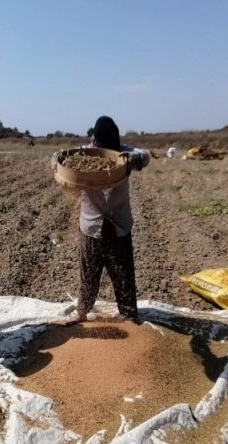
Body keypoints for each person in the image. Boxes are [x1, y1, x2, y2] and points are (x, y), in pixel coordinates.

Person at [72, 116, 150, 322]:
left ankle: (128, 314)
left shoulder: (123, 152)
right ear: (95, 142)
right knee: (88, 273)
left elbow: (144, 155)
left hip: (119, 224)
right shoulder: (85, 154)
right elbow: (64, 157)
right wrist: (55, 158)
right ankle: (82, 311)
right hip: (91, 224)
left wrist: (137, 160)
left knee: (123, 274)